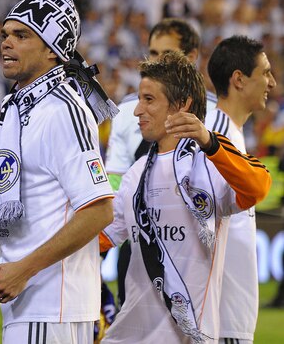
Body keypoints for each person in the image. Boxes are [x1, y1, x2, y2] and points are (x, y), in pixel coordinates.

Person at [0, 0, 117, 344]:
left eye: (21, 35)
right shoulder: (22, 105)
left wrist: (23, 270)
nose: (6, 42)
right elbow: (12, 191)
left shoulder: (63, 109)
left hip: (54, 305)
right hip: (29, 301)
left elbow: (99, 210)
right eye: (5, 34)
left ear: (53, 51)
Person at [99, 51, 272, 343]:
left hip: (190, 336)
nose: (137, 110)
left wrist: (210, 142)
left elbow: (258, 187)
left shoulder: (211, 167)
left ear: (181, 105)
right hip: (129, 335)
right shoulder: (136, 173)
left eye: (148, 99)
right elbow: (100, 238)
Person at [104, 18, 217, 306]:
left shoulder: (215, 115)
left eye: (164, 54)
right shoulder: (128, 111)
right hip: (137, 241)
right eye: (152, 53)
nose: (154, 61)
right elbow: (116, 180)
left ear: (190, 58)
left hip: (194, 249)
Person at [205, 35, 277, 343]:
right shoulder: (213, 141)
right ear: (239, 79)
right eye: (265, 72)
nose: (271, 82)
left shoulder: (228, 133)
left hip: (229, 316)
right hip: (220, 318)